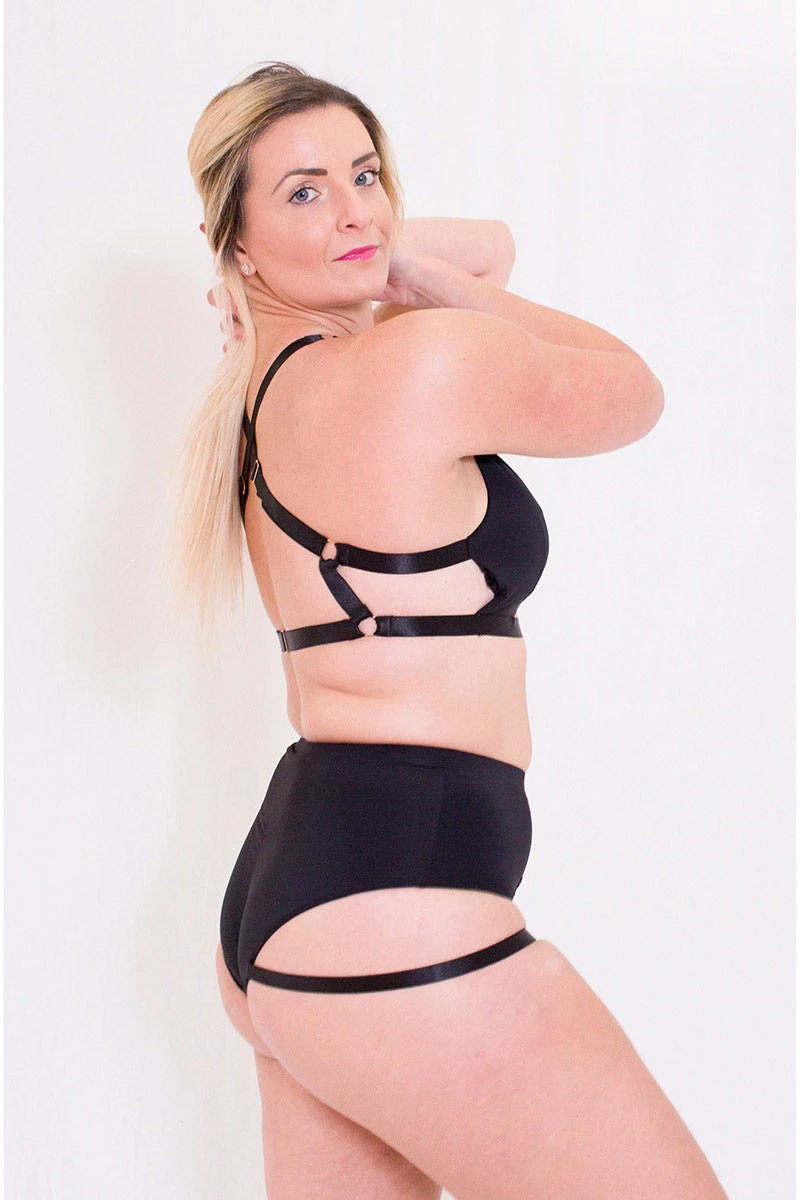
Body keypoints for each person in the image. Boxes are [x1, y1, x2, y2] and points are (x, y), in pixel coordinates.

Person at [176, 61, 728, 1200]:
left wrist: (361, 248)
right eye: (302, 192)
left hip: (293, 907)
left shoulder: (266, 391)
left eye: (365, 177)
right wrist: (409, 270)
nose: (353, 210)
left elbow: (494, 244)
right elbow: (631, 390)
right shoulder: (415, 358)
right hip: (394, 904)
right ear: (233, 243)